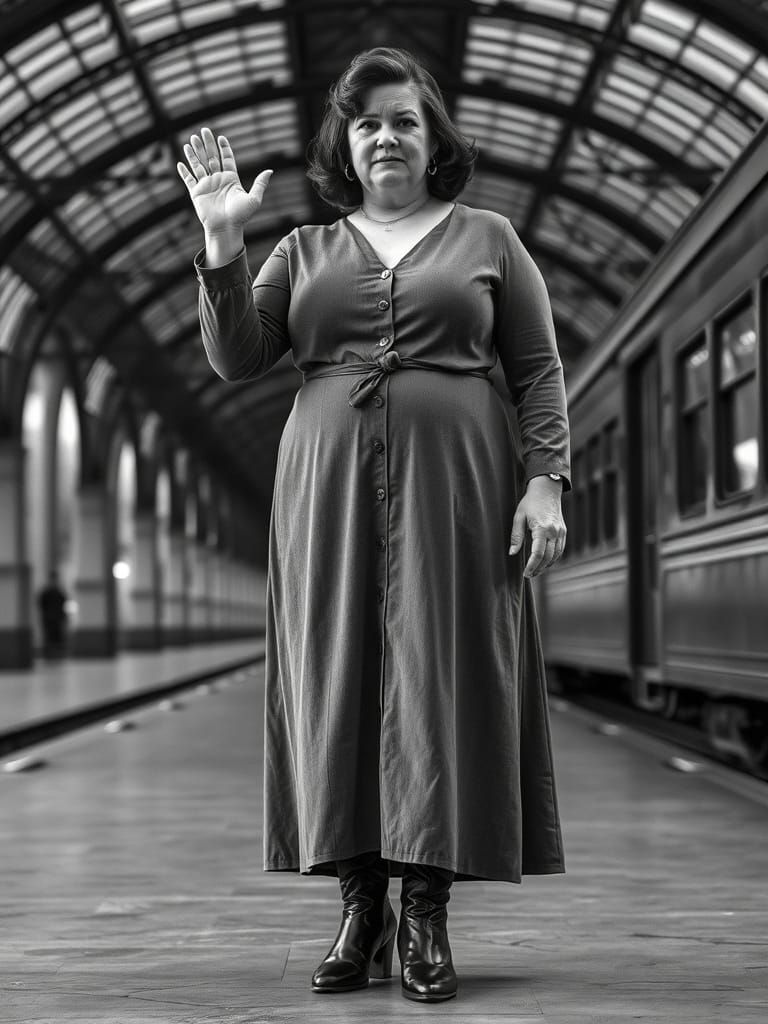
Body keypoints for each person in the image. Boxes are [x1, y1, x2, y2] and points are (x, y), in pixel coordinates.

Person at [178, 47, 570, 1004]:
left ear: (433, 138)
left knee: (447, 672)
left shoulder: (490, 238)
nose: (385, 136)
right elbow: (236, 358)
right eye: (366, 124)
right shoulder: (300, 251)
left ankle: (426, 907)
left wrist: (546, 482)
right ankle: (359, 903)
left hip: (462, 488)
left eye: (403, 119)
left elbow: (538, 369)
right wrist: (224, 244)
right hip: (326, 490)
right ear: (343, 148)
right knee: (336, 672)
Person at [37, 569, 69, 658]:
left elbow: (64, 605)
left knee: (58, 637)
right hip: (48, 620)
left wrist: (64, 617)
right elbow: (41, 605)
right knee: (49, 637)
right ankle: (49, 655)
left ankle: (58, 656)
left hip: (58, 619)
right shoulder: (45, 593)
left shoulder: (60, 593)